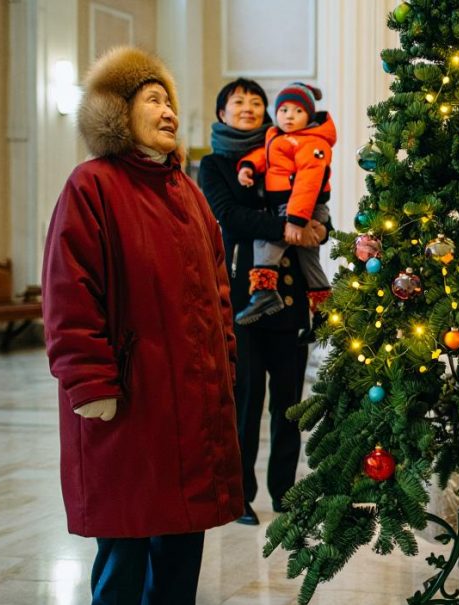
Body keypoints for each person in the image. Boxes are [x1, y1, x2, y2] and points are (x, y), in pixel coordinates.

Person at [42, 46, 243, 603]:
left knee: (181, 545)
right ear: (118, 113)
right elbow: (69, 295)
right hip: (130, 404)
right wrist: (90, 383)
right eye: (153, 99)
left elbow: (218, 292)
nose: (168, 111)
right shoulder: (92, 187)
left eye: (170, 101)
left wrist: (224, 363)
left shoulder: (189, 194)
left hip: (190, 403)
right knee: (125, 548)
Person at [199, 79, 328, 525]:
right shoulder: (213, 165)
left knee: (290, 404)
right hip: (242, 300)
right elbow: (231, 218)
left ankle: (285, 494)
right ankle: (241, 496)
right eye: (238, 102)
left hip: (289, 298)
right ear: (222, 113)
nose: (249, 109)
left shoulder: (286, 148)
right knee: (246, 401)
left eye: (256, 102)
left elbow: (314, 198)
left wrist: (315, 228)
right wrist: (287, 228)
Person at [233, 82, 336, 325]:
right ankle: (324, 312)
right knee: (309, 260)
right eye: (284, 110)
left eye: (298, 111)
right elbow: (267, 156)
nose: (289, 115)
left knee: (267, 242)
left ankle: (264, 292)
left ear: (309, 116)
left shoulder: (312, 142)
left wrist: (296, 220)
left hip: (302, 206)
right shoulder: (278, 136)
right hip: (292, 206)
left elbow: (308, 182)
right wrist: (248, 166)